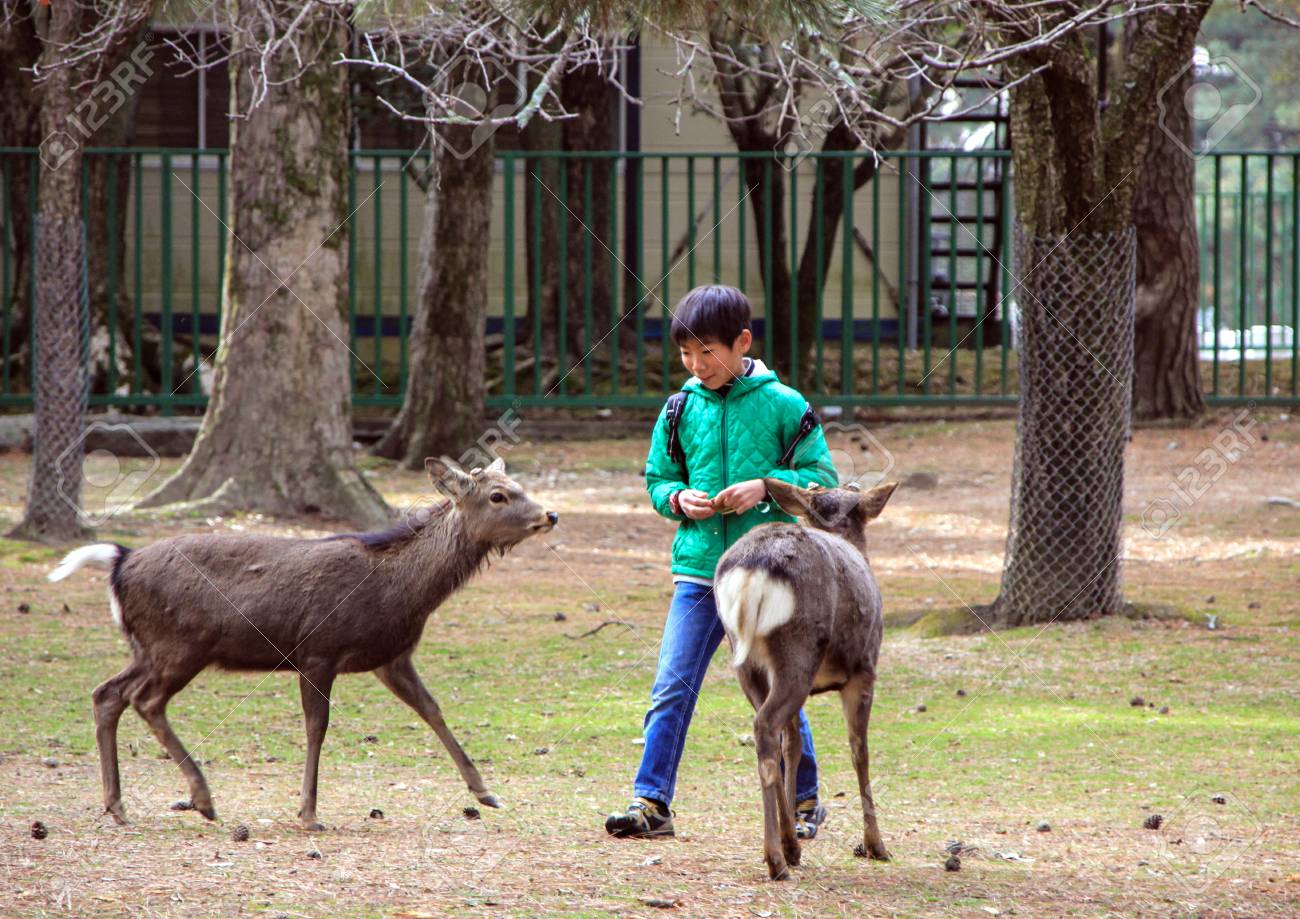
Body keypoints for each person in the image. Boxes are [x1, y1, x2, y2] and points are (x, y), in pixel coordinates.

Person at [604, 284, 838, 839]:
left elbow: (824, 482)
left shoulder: (786, 405)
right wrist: (678, 499)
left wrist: (766, 487)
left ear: (742, 343)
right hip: (698, 571)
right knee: (673, 684)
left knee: (778, 687)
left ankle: (803, 802)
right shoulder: (678, 408)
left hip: (766, 574)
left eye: (707, 352)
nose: (695, 364)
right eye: (686, 353)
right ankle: (651, 803)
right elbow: (659, 480)